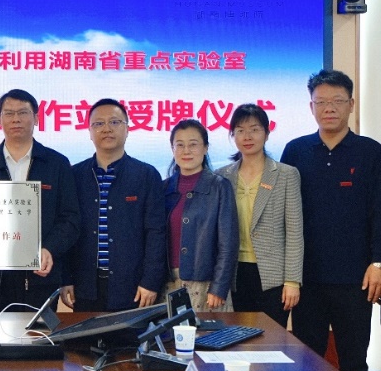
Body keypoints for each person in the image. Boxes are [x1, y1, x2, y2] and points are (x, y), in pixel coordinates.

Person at [281, 69, 381, 371]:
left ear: (351, 104)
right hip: (307, 278)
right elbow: (284, 215)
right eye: (321, 102)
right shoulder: (296, 151)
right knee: (307, 360)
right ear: (311, 107)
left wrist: (380, 262)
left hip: (355, 280)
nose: (329, 108)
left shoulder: (371, 152)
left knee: (354, 361)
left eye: (337, 101)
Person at [0, 89, 81, 312]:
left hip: (42, 276)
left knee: (39, 334)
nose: (16, 119)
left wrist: (49, 249)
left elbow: (70, 219)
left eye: (23, 112)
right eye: (9, 113)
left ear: (36, 118)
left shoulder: (57, 164)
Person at [63, 98, 165, 312]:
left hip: (133, 286)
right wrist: (65, 278)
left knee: (131, 335)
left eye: (115, 122)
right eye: (98, 123)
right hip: (85, 285)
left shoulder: (146, 175)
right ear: (90, 131)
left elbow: (156, 232)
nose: (107, 129)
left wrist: (151, 281)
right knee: (85, 334)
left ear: (127, 129)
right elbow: (66, 229)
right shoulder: (75, 175)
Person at [215, 103, 303, 327]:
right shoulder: (222, 177)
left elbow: (294, 231)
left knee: (271, 340)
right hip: (234, 274)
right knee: (237, 339)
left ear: (267, 132)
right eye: (240, 130)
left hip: (272, 277)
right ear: (232, 135)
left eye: (254, 129)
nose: (247, 136)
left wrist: (292, 281)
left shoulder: (286, 174)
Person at [163, 119, 238, 311]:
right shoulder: (162, 188)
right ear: (172, 149)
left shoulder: (220, 187)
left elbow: (228, 243)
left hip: (206, 285)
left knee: (204, 331)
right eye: (180, 145)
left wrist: (219, 286)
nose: (186, 151)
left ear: (205, 148)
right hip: (167, 284)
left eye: (193, 144)